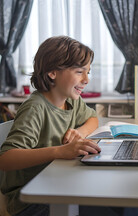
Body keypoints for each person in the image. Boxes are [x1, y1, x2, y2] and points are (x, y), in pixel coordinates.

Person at [0, 36, 101, 216]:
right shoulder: (35, 108)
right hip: (29, 200)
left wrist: (80, 132)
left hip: (56, 184)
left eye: (88, 72)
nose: (86, 79)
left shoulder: (71, 100)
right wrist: (60, 151)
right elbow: (6, 158)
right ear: (52, 72)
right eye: (79, 71)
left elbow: (93, 118)